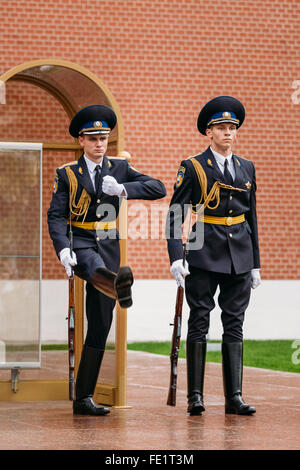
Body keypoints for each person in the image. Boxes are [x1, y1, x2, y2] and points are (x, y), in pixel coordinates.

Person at [48, 104, 166, 415]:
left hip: (109, 245)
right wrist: (62, 249)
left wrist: (124, 189)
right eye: (93, 138)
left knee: (100, 324)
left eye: (104, 138)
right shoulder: (67, 173)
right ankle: (115, 283)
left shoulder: (119, 168)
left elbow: (159, 188)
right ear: (81, 141)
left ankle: (84, 398)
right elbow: (56, 216)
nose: (100, 144)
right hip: (82, 242)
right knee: (92, 266)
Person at [166, 96, 261, 416]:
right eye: (221, 127)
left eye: (232, 128)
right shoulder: (192, 166)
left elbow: (252, 219)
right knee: (200, 321)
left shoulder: (246, 166)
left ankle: (234, 396)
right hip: (204, 251)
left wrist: (256, 262)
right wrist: (176, 256)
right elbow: (176, 213)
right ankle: (196, 396)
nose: (228, 133)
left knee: (235, 324)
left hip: (240, 257)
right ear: (209, 132)